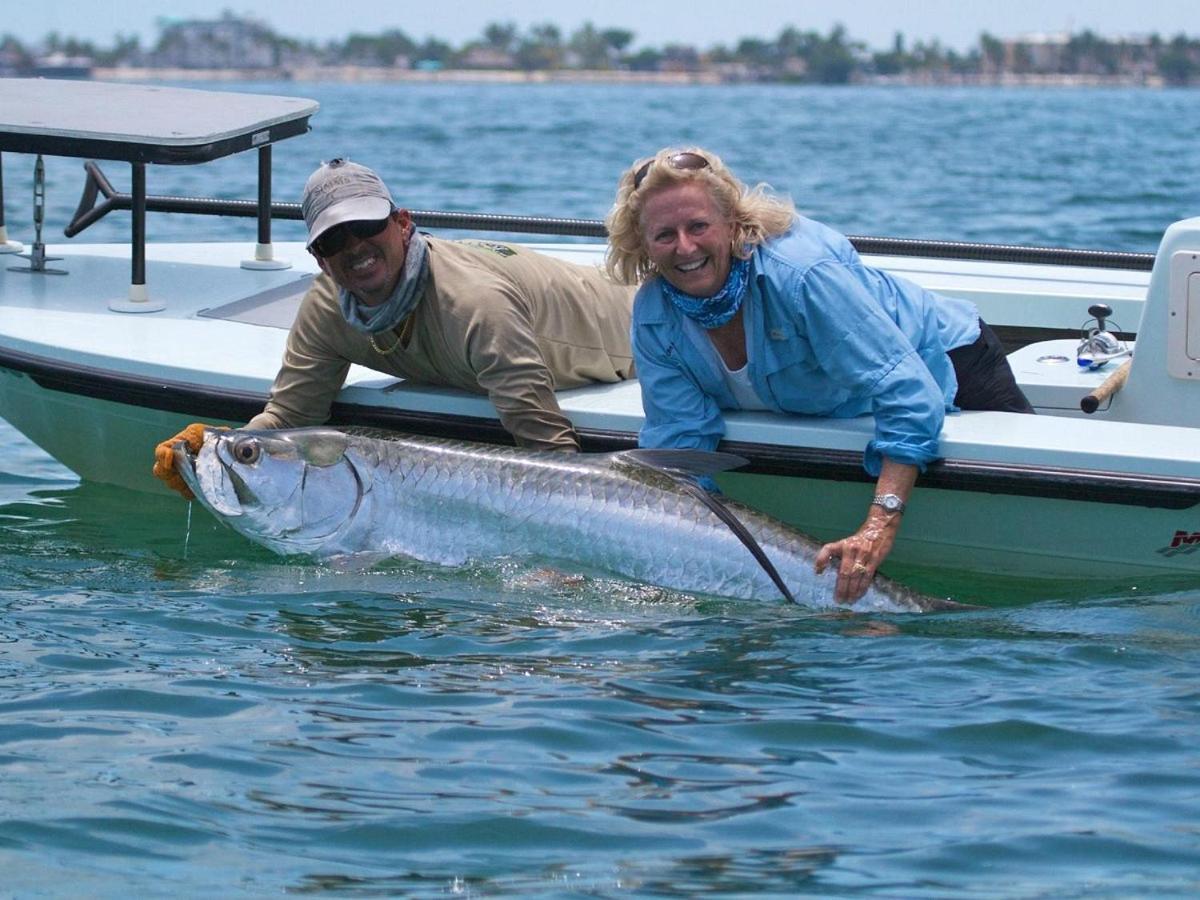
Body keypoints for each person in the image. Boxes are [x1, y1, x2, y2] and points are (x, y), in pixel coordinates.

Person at [605, 147, 1033, 603]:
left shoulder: (801, 274)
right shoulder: (654, 313)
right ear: (643, 243)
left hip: (950, 362)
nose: (685, 247)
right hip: (832, 403)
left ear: (731, 222)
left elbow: (908, 393)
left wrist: (877, 527)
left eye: (698, 226)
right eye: (665, 234)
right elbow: (679, 447)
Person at [154, 158, 635, 497]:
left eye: (366, 226)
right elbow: (288, 420)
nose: (355, 247)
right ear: (318, 259)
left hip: (622, 326)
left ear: (404, 224)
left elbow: (553, 453)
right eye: (334, 239)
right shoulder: (327, 309)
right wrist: (215, 449)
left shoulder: (475, 308)